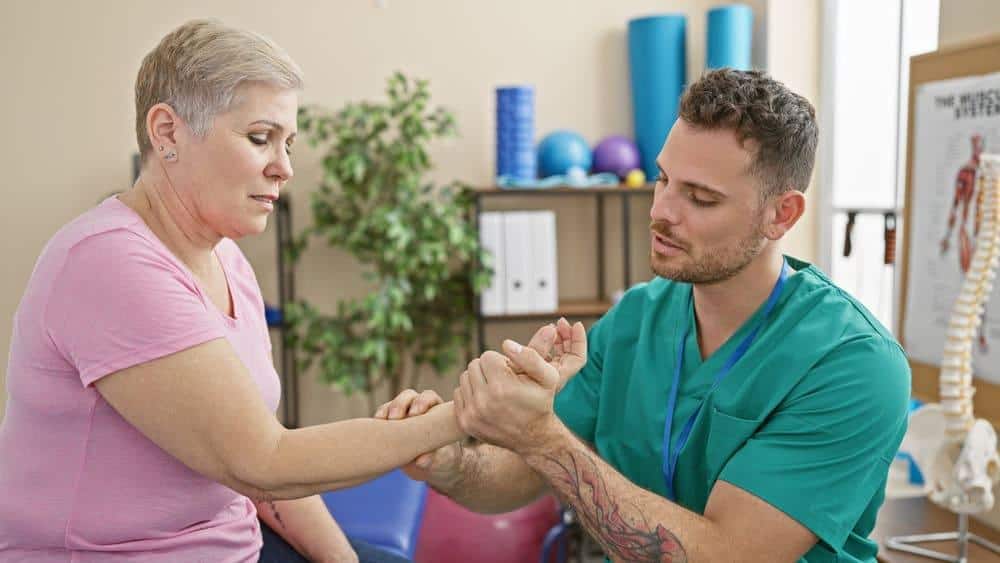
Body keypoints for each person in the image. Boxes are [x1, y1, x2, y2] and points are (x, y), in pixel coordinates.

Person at [379, 69, 912, 562]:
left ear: (782, 214)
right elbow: (517, 475)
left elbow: (728, 555)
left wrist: (541, 436)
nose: (660, 212)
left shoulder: (853, 365)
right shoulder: (638, 318)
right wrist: (449, 463)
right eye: (662, 180)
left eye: (700, 198)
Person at [0, 19, 463, 563]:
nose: (284, 168)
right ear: (167, 132)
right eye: (260, 138)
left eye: (288, 144)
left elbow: (264, 466)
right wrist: (467, 416)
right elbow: (261, 460)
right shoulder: (108, 261)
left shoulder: (225, 258)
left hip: (236, 545)